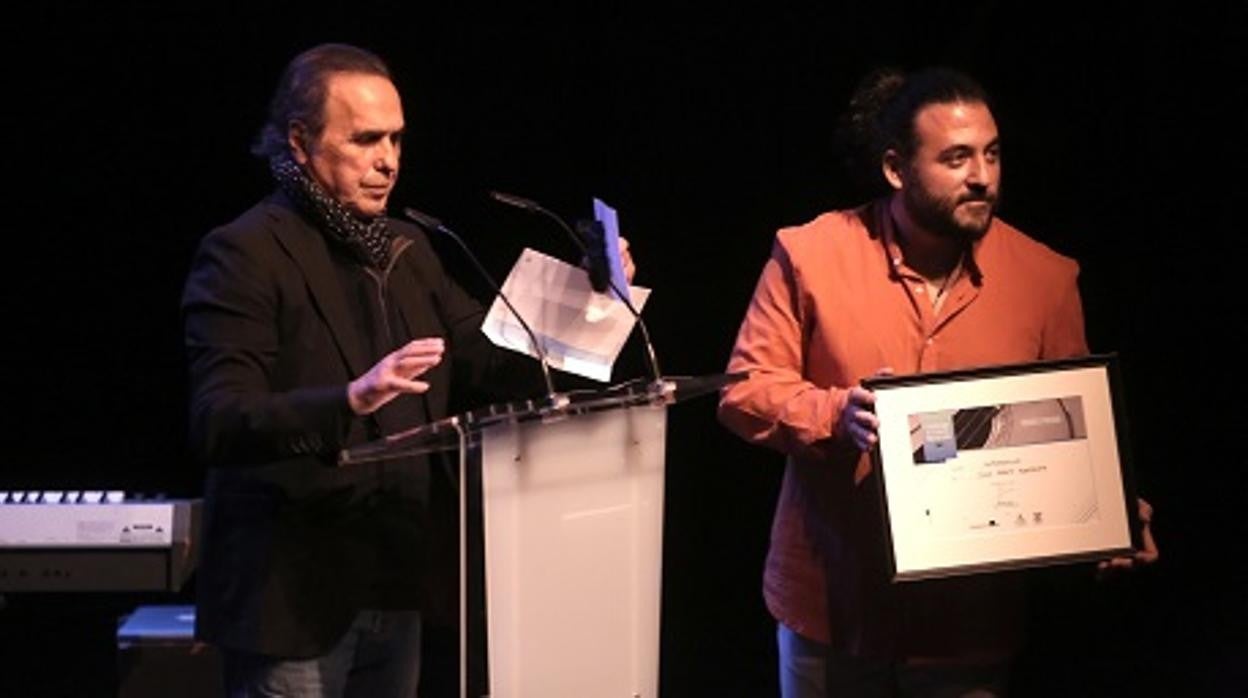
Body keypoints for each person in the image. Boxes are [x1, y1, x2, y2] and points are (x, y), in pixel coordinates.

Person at [182, 43, 631, 697]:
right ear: (301, 142)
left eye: (395, 139)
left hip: (393, 586)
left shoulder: (409, 248)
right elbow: (218, 418)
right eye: (365, 140)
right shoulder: (244, 253)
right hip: (292, 601)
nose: (387, 161)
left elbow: (491, 359)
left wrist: (590, 307)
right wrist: (349, 398)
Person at [717, 67, 1157, 697]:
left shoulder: (1045, 277)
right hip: (833, 606)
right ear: (896, 169)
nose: (982, 176)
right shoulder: (810, 254)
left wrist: (1111, 507)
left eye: (991, 153)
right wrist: (833, 414)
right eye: (956, 158)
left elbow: (1070, 429)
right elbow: (744, 389)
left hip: (967, 626)